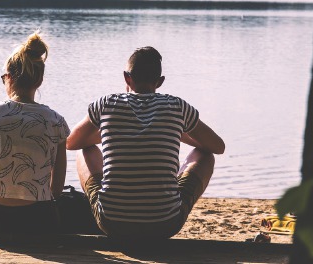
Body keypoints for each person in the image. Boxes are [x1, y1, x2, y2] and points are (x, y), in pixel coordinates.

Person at [66, 46, 225, 240]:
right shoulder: (177, 106)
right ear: (160, 82)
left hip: (112, 223)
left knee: (84, 150)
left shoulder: (106, 103)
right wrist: (177, 130)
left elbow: (71, 142)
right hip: (165, 224)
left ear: (127, 78)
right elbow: (218, 147)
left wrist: (113, 130)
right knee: (205, 155)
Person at [0, 30, 70, 239]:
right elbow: (56, 189)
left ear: (8, 77)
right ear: (40, 80)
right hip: (40, 222)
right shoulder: (56, 121)